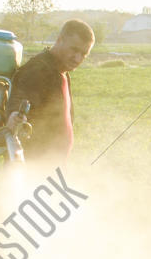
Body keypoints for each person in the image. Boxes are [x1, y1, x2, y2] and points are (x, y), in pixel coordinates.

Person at [5, 19, 94, 162]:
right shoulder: (38, 70)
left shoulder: (62, 72)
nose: (78, 58)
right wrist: (14, 115)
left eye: (84, 54)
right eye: (74, 49)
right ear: (59, 40)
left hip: (54, 164)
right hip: (35, 165)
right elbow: (19, 100)